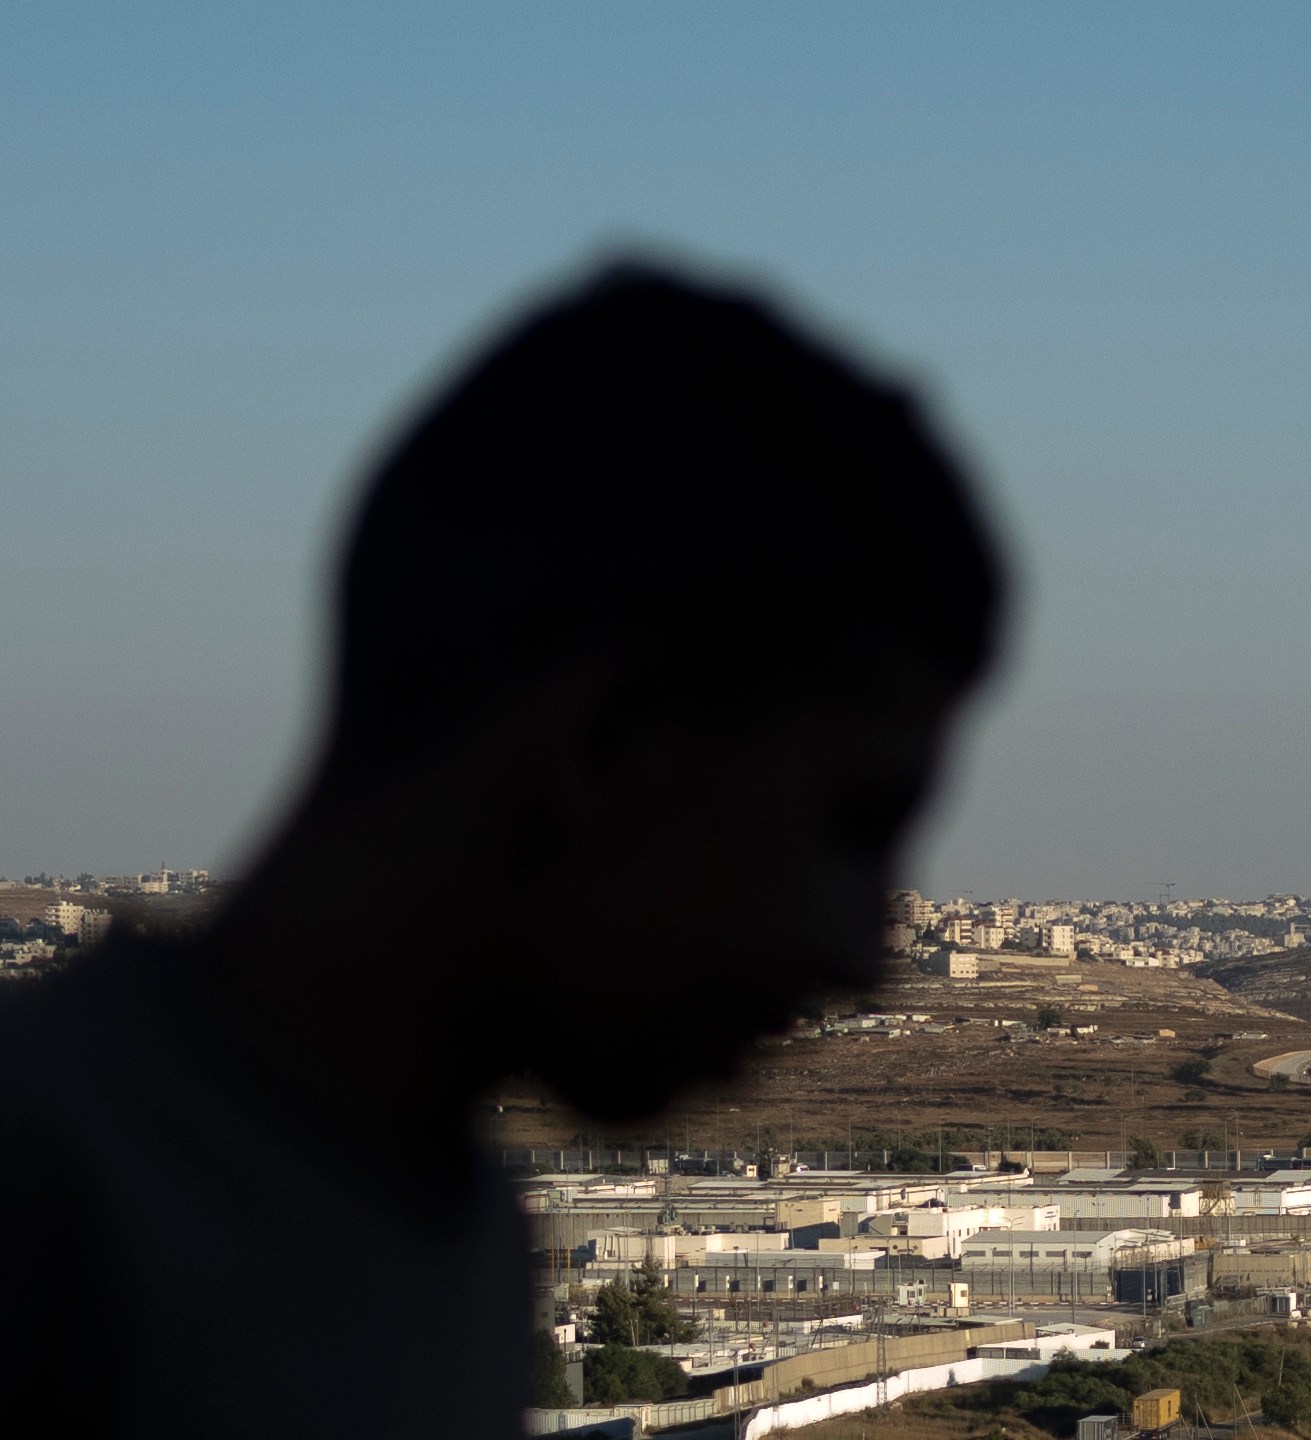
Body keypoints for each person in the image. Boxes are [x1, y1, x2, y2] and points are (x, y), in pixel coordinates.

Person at [0, 261, 1005, 1436]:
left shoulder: (453, 1235)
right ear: (610, 745)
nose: (861, 953)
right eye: (847, 825)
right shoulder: (48, 1215)